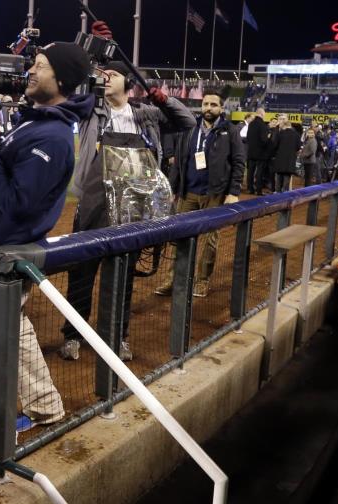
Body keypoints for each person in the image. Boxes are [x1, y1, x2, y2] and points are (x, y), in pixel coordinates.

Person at [0, 40, 94, 477]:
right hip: (1, 254)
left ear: (63, 81)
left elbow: (18, 203)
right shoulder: (39, 122)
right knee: (15, 330)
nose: (31, 71)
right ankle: (45, 404)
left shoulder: (52, 137)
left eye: (40, 66)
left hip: (6, 256)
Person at [62, 46, 196, 362]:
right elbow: (73, 99)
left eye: (113, 75)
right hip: (94, 205)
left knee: (123, 277)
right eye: (103, 75)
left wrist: (164, 99)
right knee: (82, 274)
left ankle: (117, 336)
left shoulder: (145, 114)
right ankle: (72, 336)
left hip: (133, 207)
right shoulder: (92, 110)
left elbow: (187, 121)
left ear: (129, 83)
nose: (105, 79)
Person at [155, 90, 245, 298]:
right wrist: (173, 189)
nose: (208, 108)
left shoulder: (229, 131)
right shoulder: (190, 129)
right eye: (205, 104)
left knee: (209, 240)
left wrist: (233, 192)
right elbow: (179, 161)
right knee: (180, 238)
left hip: (214, 194)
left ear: (221, 108)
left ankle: (202, 281)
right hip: (188, 193)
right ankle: (174, 279)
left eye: (214, 105)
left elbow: (239, 162)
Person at [270, 115, 300, 193]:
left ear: (284, 125)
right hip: (290, 161)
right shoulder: (296, 134)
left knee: (278, 180)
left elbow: (274, 145)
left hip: (280, 160)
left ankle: (277, 195)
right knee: (286, 182)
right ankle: (284, 197)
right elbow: (298, 147)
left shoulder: (280, 133)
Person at [245, 108, 271, 195]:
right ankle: (258, 190)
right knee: (259, 172)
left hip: (251, 152)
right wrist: (268, 139)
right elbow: (264, 140)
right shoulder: (262, 125)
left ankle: (250, 188)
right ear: (262, 114)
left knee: (250, 171)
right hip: (260, 153)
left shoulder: (251, 124)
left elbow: (248, 138)